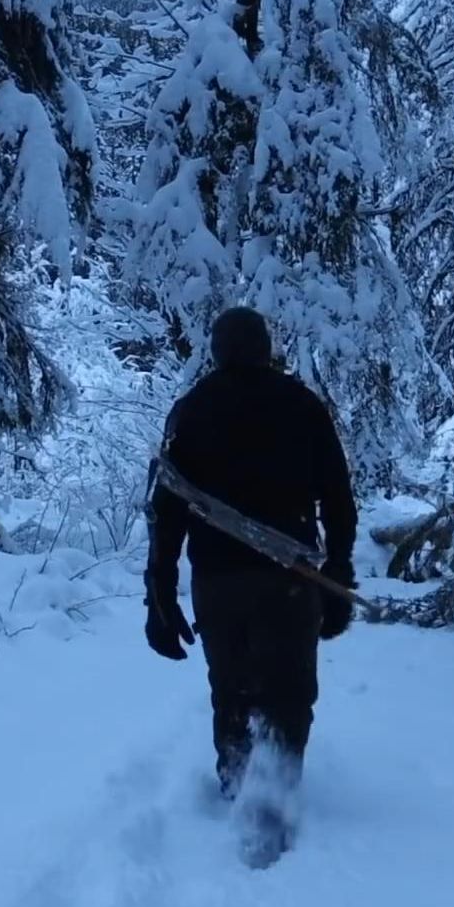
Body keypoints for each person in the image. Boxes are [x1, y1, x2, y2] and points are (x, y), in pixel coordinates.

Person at [143, 306, 358, 810]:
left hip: (218, 582)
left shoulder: (189, 411)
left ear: (216, 352)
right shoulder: (303, 406)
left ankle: (238, 786)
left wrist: (158, 596)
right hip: (291, 578)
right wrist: (339, 570)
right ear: (266, 349)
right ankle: (278, 791)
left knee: (232, 690)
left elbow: (166, 512)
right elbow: (339, 498)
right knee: (291, 692)